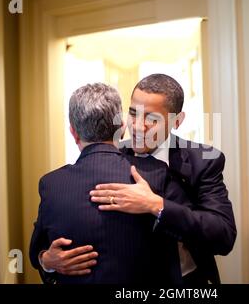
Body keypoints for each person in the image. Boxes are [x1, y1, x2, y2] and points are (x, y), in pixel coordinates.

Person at [40, 74, 237, 284]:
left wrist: (156, 205)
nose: (137, 126)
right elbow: (52, 234)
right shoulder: (110, 153)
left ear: (177, 121)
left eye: (152, 119)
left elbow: (223, 235)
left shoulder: (203, 161)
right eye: (134, 114)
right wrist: (47, 261)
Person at [29, 83, 181, 284]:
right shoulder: (154, 174)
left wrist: (46, 260)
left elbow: (36, 253)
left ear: (73, 133)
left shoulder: (51, 184)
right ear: (122, 127)